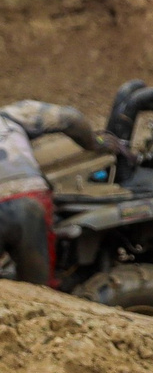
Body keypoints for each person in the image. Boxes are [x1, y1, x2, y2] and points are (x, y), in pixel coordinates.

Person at [0, 100, 125, 287]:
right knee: (38, 288)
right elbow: (71, 118)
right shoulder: (12, 114)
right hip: (29, 197)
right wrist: (97, 143)